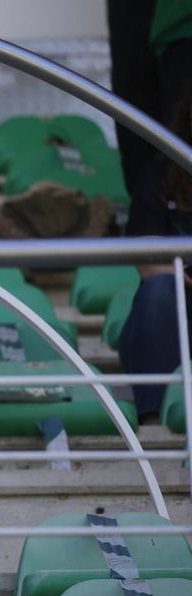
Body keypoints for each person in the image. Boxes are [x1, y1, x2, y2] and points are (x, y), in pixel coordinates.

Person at [53, 0, 192, 193]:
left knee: (172, 144)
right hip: (166, 10)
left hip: (181, 21)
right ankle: (149, 228)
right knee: (147, 134)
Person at [117, 97, 192, 420]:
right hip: (176, 307)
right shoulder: (161, 175)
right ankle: (155, 420)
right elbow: (147, 257)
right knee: (162, 286)